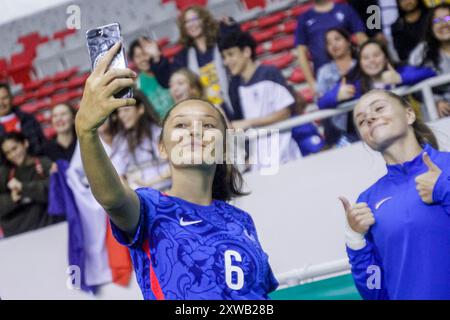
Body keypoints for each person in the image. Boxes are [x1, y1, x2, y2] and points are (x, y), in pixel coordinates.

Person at [74, 42, 278, 300]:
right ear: (162, 147)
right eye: (181, 125)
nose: (194, 131)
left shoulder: (242, 220)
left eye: (207, 125)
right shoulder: (150, 207)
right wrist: (86, 131)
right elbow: (112, 198)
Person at [339, 89, 450, 300]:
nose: (370, 118)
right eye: (361, 121)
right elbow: (376, 294)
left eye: (379, 108)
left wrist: (444, 188)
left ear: (409, 115)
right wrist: (354, 239)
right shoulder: (367, 200)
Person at [318, 39, 436, 143]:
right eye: (366, 58)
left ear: (385, 57)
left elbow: (430, 72)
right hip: (374, 142)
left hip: (407, 133)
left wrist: (401, 78)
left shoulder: (399, 71)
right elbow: (321, 103)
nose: (372, 61)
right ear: (360, 62)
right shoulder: (353, 84)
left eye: (376, 55)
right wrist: (336, 96)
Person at [219, 31, 301, 167]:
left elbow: (285, 113)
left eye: (230, 54)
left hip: (283, 154)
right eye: (224, 56)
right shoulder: (236, 85)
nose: (226, 61)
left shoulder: (269, 73)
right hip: (259, 160)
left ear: (246, 52)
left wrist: (248, 122)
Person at [142, 5, 240, 118]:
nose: (191, 24)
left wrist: (230, 26)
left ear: (204, 20)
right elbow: (168, 80)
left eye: (194, 19)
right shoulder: (183, 56)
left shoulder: (221, 41)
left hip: (234, 102)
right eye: (187, 22)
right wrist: (156, 57)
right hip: (208, 114)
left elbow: (238, 45)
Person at [295, 0, 368, 95]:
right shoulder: (304, 18)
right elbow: (301, 53)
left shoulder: (345, 9)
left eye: (337, 39)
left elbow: (362, 39)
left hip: (355, 72)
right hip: (325, 79)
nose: (333, 45)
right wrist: (311, 83)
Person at [0, 132, 62, 238]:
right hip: (16, 238)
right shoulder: (4, 172)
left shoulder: (43, 163)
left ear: (25, 143)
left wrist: (23, 188)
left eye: (14, 148)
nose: (12, 155)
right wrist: (11, 199)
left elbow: (56, 192)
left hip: (49, 231)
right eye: (8, 153)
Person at [109, 89, 171, 190]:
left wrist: (149, 183)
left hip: (167, 192)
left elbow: (178, 167)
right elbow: (118, 174)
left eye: (126, 110)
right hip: (140, 199)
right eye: (119, 111)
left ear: (141, 109)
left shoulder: (160, 134)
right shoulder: (120, 141)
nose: (121, 115)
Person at [316, 28, 358, 146]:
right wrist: (335, 96)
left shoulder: (361, 63)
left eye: (337, 39)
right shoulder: (324, 72)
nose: (333, 45)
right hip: (338, 130)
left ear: (348, 41)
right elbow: (319, 102)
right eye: (328, 43)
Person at [409, 4, 450, 118]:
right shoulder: (422, 52)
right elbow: (414, 86)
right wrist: (436, 101)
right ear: (430, 27)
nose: (444, 24)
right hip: (440, 114)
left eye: (448, 18)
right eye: (437, 20)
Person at [0, 82, 46, 163]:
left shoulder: (28, 118)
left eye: (4, 98)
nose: (1, 103)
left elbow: (42, 143)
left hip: (37, 166)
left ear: (11, 97)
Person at [128, 38, 174, 119]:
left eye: (145, 54)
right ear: (133, 60)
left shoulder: (169, 71)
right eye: (138, 56)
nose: (143, 59)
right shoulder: (137, 86)